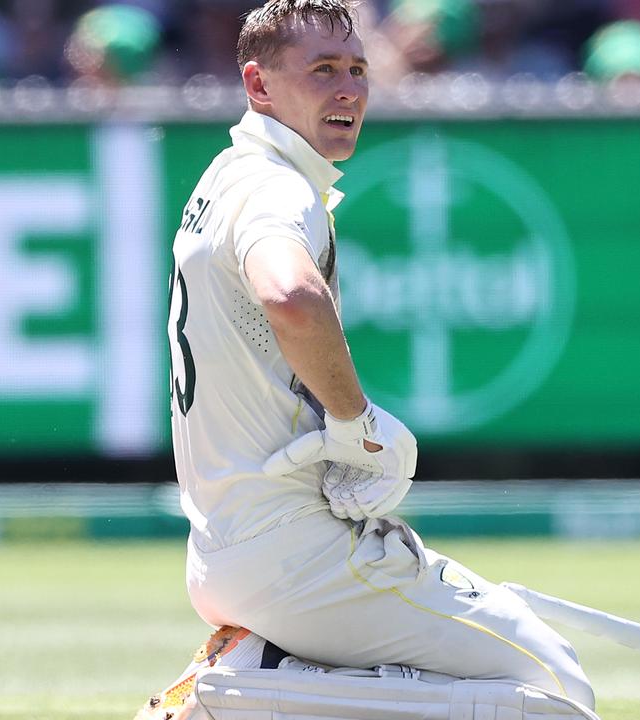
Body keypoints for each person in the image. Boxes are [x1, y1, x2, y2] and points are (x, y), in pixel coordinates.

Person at [167, 0, 595, 712]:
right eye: (324, 70)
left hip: (233, 547)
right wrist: (356, 423)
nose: (349, 90)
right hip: (295, 553)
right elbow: (291, 296)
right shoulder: (275, 185)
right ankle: (244, 699)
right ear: (259, 85)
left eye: (359, 70)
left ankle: (268, 672)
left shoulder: (227, 174)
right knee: (555, 692)